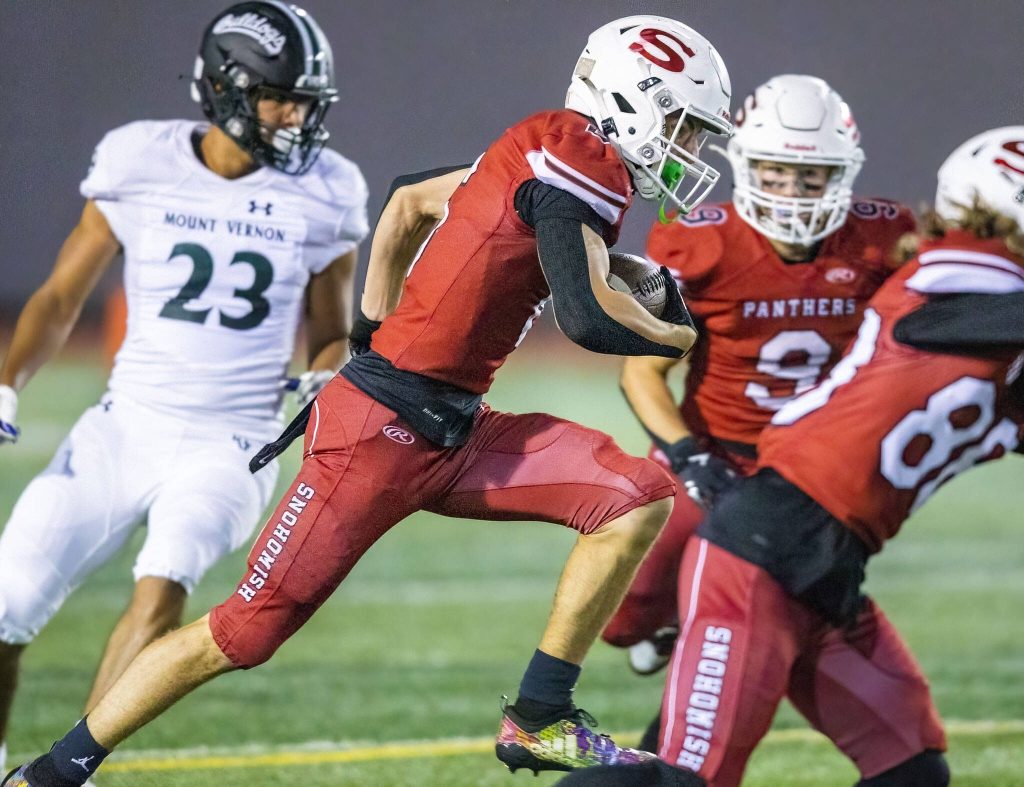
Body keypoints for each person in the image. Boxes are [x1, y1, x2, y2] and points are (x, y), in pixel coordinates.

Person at [3, 15, 735, 786]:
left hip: (454, 427)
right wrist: (680, 336)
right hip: (376, 435)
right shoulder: (578, 158)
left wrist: (369, 329)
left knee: (635, 495)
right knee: (241, 634)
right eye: (683, 123)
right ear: (633, 101)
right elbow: (586, 318)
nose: (688, 147)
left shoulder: (541, 150)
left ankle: (540, 713)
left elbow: (408, 201)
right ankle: (54, 770)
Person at [557, 125, 1024, 786]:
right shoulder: (958, 273)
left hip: (828, 563)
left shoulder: (993, 311)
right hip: (763, 548)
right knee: (686, 778)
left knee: (913, 769)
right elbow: (966, 321)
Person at [0, 0, 367, 778]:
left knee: (159, 589)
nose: (299, 117)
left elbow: (331, 327)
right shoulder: (140, 159)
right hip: (123, 424)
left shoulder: (328, 189)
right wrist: (6, 384)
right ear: (229, 91)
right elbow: (62, 296)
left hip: (231, 443)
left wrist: (327, 370)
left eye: (308, 102)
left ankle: (65, 773)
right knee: (6, 604)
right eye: (283, 97)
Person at [604, 74, 918, 697]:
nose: (793, 192)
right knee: (627, 609)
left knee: (774, 609)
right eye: (775, 172)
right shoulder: (700, 242)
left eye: (811, 176)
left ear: (843, 175)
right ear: (744, 164)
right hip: (712, 449)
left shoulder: (883, 240)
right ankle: (661, 624)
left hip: (813, 467)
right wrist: (688, 457)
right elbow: (642, 370)